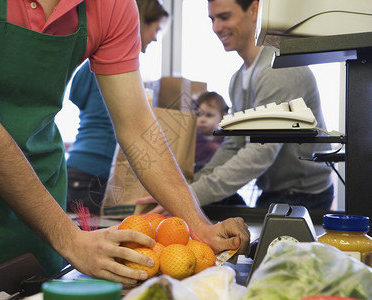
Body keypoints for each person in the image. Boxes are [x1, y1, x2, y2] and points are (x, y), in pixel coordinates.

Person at [0, 0, 249, 285]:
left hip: (37, 204)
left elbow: (136, 126)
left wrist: (198, 225)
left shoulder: (112, 6)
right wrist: (69, 238)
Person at [137, 0, 333, 214]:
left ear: (254, 9)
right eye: (212, 19)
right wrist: (187, 191)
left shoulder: (278, 69)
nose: (216, 28)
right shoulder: (238, 80)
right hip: (274, 191)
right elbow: (233, 145)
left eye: (224, 17)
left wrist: (189, 197)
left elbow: (260, 152)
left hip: (305, 195)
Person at [66, 0, 169, 216]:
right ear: (140, 21)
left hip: (74, 168)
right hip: (97, 175)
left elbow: (77, 97)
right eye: (155, 29)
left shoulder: (87, 67)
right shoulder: (118, 71)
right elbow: (134, 122)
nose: (155, 37)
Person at [194, 91, 229, 173]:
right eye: (198, 114)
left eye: (209, 115)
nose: (202, 119)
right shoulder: (192, 138)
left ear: (222, 118)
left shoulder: (225, 139)